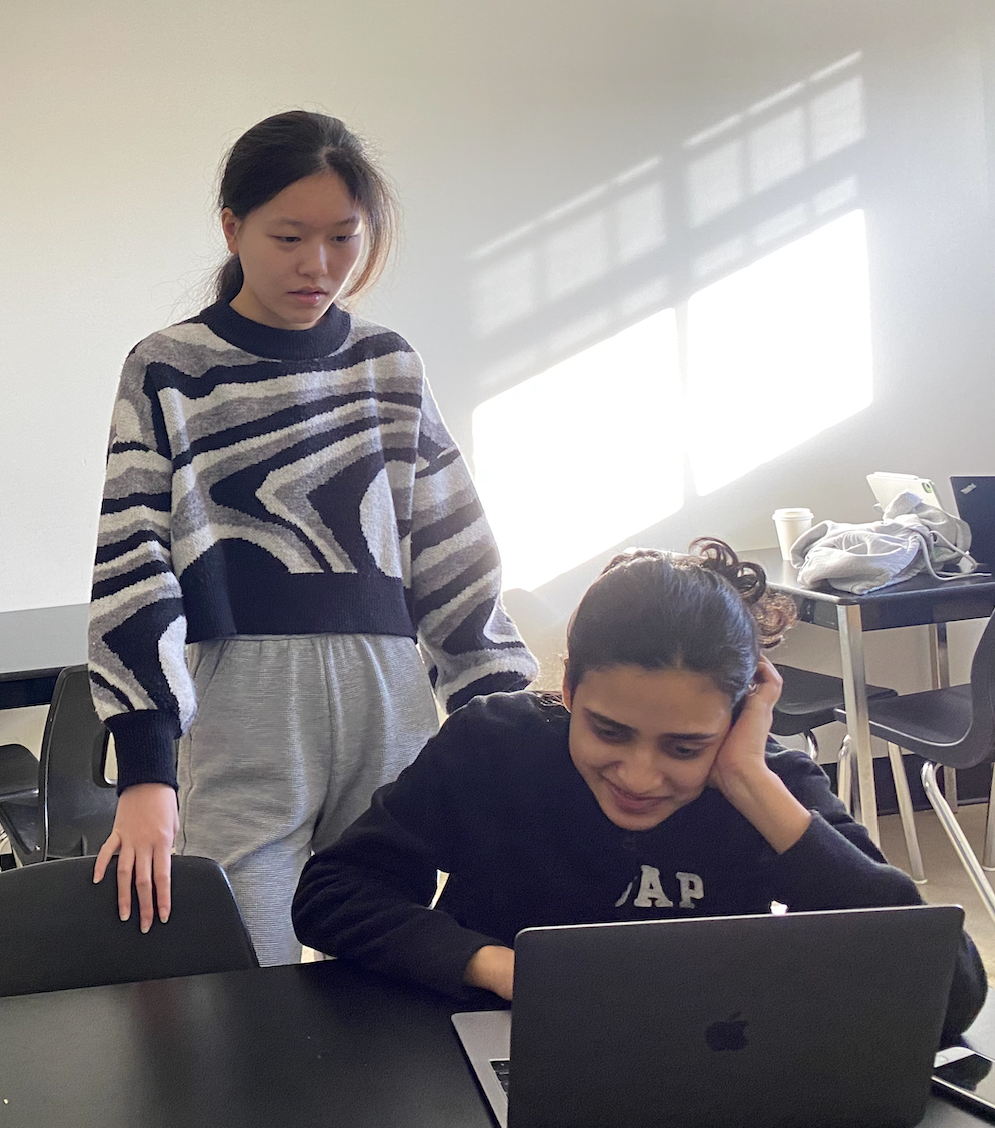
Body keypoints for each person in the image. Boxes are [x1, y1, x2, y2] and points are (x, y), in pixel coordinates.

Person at [88, 110, 537, 965]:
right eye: (289, 236)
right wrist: (146, 766)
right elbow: (133, 555)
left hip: (390, 698)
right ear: (233, 226)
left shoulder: (388, 363)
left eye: (343, 238)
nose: (318, 265)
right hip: (238, 705)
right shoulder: (168, 367)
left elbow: (451, 546)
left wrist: (496, 708)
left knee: (383, 956)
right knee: (244, 974)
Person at [292, 538, 986, 1040]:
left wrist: (751, 782)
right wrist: (500, 967)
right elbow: (334, 893)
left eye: (686, 747)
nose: (640, 776)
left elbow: (948, 991)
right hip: (501, 1041)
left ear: (742, 717)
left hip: (705, 1056)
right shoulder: (494, 744)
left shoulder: (764, 784)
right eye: (609, 732)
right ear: (567, 690)